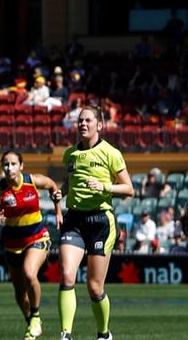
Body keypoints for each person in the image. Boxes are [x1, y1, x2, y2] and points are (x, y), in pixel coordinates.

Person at [56, 105, 133, 340]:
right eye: (80, 120)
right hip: (74, 220)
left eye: (88, 120)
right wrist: (60, 195)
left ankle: (104, 334)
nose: (83, 124)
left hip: (101, 220)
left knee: (94, 287)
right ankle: (65, 335)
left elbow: (129, 189)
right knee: (67, 276)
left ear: (99, 125)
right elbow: (69, 184)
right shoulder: (70, 154)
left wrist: (105, 187)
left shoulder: (111, 153)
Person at [0, 150, 62, 340]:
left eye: (13, 164)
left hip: (37, 236)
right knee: (20, 292)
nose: (9, 167)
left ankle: (36, 316)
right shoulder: (0, 189)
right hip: (13, 243)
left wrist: (58, 211)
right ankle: (31, 323)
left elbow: (53, 186)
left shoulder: (32, 180)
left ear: (21, 165)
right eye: (5, 164)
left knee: (30, 273)